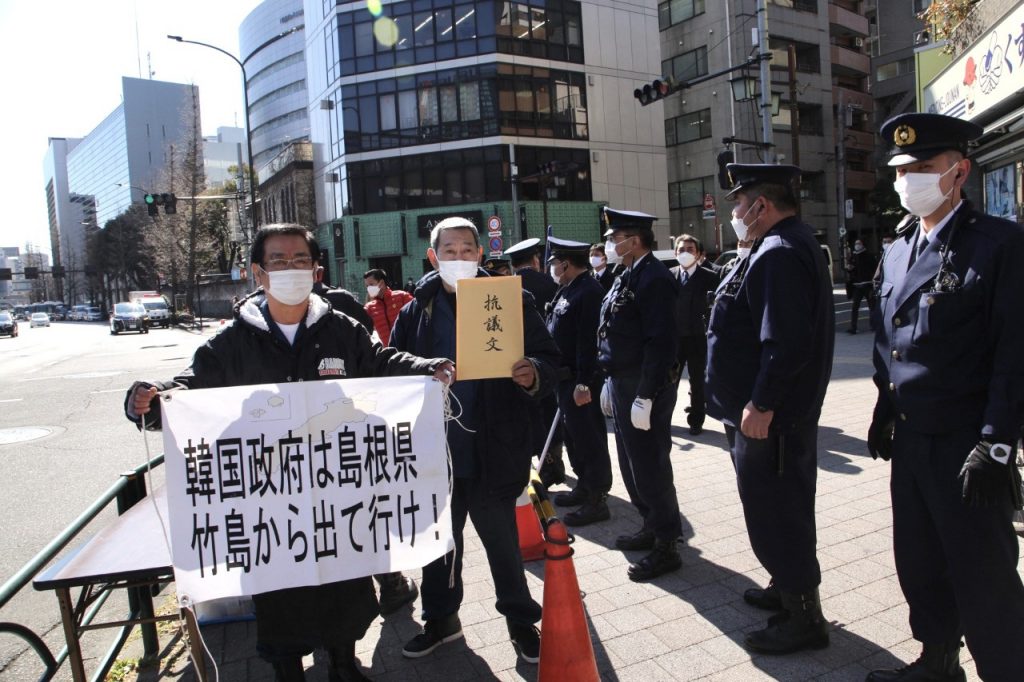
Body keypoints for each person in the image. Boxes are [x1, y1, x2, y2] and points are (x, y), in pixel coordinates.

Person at [123, 224, 454, 682]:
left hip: (338, 488)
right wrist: (151, 398)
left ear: (317, 270)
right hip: (269, 494)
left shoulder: (342, 330)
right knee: (278, 590)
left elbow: (381, 363)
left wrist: (426, 369)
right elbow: (189, 388)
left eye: (300, 260)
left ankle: (343, 661)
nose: (290, 269)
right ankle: (287, 671)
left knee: (343, 580)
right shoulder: (232, 342)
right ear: (258, 273)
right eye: (277, 261)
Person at [866, 112, 1024, 682]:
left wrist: (997, 445)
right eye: (902, 169)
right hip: (912, 438)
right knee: (921, 562)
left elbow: (1015, 356)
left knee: (983, 575)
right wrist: (886, 406)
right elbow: (890, 340)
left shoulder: (998, 245)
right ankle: (938, 662)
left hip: (967, 443)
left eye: (923, 167)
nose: (909, 179)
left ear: (959, 171)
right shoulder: (899, 248)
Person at [390, 217, 561, 664]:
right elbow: (389, 365)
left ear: (481, 254)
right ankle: (442, 621)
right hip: (436, 454)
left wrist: (533, 374)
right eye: (450, 251)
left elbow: (549, 359)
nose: (459, 258)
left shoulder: (510, 301)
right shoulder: (416, 308)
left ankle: (522, 623)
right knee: (440, 547)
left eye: (468, 250)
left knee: (504, 545)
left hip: (495, 448)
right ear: (433, 257)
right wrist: (417, 369)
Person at [705, 164, 835, 655]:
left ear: (762, 205)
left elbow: (785, 342)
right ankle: (787, 586)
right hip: (766, 415)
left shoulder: (779, 252)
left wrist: (761, 403)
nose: (735, 213)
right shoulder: (775, 246)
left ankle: (804, 617)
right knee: (774, 508)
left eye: (739, 204)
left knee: (779, 514)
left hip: (771, 420)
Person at [597, 207, 683, 581]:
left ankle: (667, 543)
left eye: (615, 239)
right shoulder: (626, 273)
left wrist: (646, 395)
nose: (610, 245)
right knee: (631, 463)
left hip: (642, 383)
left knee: (650, 464)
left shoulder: (655, 278)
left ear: (634, 241)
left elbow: (661, 343)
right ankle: (650, 524)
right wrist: (607, 379)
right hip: (622, 380)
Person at [545, 236, 614, 526]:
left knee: (589, 438)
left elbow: (589, 341)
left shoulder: (589, 291)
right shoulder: (567, 288)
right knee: (574, 436)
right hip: (564, 379)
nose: (552, 268)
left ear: (566, 263)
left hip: (580, 380)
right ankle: (584, 485)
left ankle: (597, 497)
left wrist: (584, 381)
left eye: (554, 263)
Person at [505, 237, 564, 487]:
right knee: (549, 416)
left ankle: (538, 468)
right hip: (542, 363)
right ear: (536, 259)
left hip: (514, 366)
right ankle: (552, 464)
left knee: (529, 419)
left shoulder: (505, 288)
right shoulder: (549, 284)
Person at [669, 234, 718, 436]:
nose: (685, 253)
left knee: (698, 382)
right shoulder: (668, 276)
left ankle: (696, 420)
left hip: (699, 337)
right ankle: (665, 419)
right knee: (669, 381)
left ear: (698, 254)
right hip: (674, 338)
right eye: (681, 249)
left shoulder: (710, 276)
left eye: (690, 249)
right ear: (675, 252)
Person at [363, 268, 413, 346]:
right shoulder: (369, 308)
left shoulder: (402, 297)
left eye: (371, 284)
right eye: (367, 286)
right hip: (389, 354)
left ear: (382, 283)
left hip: (410, 351)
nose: (368, 288)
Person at [844, 239, 878, 334]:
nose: (857, 245)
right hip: (857, 285)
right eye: (856, 243)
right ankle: (853, 327)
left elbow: (875, 269)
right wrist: (849, 269)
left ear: (863, 245)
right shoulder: (853, 256)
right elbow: (850, 270)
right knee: (855, 307)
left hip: (867, 284)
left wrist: (873, 281)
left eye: (859, 243)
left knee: (872, 306)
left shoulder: (869, 256)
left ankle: (874, 326)